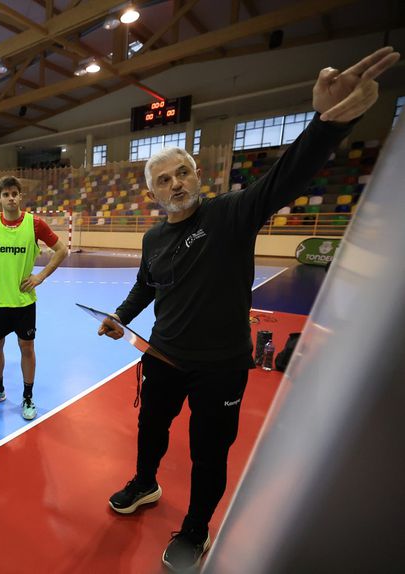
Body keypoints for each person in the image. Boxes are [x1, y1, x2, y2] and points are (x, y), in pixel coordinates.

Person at [98, 46, 400, 573]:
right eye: (164, 180)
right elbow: (147, 285)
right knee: (151, 429)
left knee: (208, 454)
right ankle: (146, 483)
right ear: (153, 193)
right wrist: (121, 316)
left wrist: (326, 124)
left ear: (197, 175)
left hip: (221, 366)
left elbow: (285, 179)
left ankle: (195, 530)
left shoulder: (231, 215)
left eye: (183, 173)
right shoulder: (151, 239)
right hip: (163, 358)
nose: (177, 184)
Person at [0, 176, 68, 420]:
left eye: (14, 193)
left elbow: (62, 250)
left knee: (26, 348)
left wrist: (40, 276)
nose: (10, 198)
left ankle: (28, 396)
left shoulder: (35, 224)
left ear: (20, 197)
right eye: (6, 194)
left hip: (23, 302)